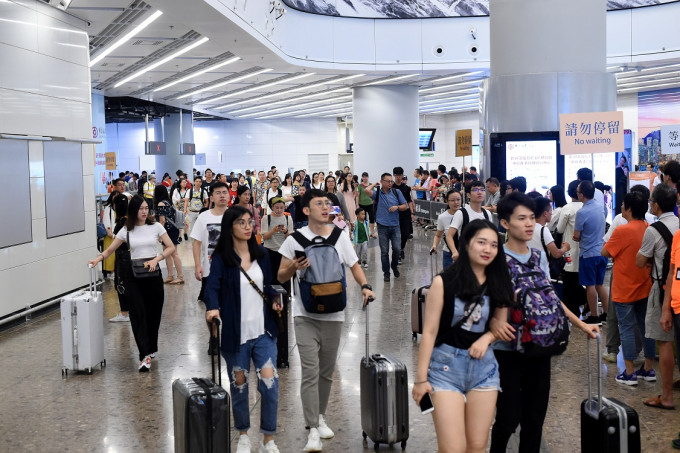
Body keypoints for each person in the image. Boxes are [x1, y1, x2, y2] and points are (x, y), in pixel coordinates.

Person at [489, 192, 599, 453]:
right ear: (505, 223)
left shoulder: (538, 258)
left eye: (531, 218)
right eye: (521, 219)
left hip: (539, 346)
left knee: (535, 419)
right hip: (507, 351)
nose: (530, 224)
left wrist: (582, 325)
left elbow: (549, 296)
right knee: (507, 418)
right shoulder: (495, 258)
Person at [277, 189, 376, 452]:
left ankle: (319, 417)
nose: (325, 207)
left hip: (335, 313)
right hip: (304, 314)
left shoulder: (339, 236)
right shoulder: (294, 240)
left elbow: (354, 265)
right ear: (306, 210)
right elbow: (280, 276)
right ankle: (312, 428)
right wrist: (294, 268)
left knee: (326, 372)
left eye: (327, 204)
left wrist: (365, 285)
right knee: (310, 371)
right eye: (318, 204)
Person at [414, 219, 512, 453]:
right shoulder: (443, 282)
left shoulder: (499, 280)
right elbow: (429, 332)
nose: (488, 249)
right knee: (452, 449)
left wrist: (486, 339)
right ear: (467, 244)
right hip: (445, 369)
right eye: (481, 243)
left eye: (493, 245)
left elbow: (500, 325)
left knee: (477, 446)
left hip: (484, 369)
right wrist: (420, 379)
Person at [204, 206, 283, 453]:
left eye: (250, 222)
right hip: (236, 334)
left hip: (263, 332)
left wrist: (274, 298)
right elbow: (211, 288)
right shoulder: (221, 260)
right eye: (242, 223)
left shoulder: (262, 254)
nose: (248, 227)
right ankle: (243, 434)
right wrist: (213, 308)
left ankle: (269, 438)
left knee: (270, 383)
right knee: (239, 385)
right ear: (230, 227)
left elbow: (269, 285)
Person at [88, 195, 175, 371]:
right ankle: (144, 356)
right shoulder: (126, 230)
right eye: (140, 208)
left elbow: (171, 246)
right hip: (134, 278)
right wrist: (98, 258)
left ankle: (151, 348)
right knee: (138, 315)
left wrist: (156, 259)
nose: (144, 212)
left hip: (153, 276)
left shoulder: (156, 226)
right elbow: (111, 249)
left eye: (146, 208)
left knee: (153, 315)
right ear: (133, 210)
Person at [602, 191, 656, 385]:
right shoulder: (649, 228)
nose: (621, 208)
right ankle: (648, 368)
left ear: (629, 208)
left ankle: (630, 371)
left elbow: (605, 251)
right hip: (645, 285)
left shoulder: (622, 230)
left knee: (625, 327)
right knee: (645, 327)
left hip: (624, 286)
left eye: (624, 205)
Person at [636, 184, 678, 407]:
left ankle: (667, 396)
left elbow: (640, 261)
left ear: (657, 205)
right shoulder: (679, 226)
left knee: (664, 342)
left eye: (652, 201)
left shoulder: (653, 230)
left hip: (662, 288)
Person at [191, 182, 230, 355]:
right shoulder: (204, 217)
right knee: (211, 308)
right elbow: (197, 243)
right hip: (209, 270)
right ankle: (214, 338)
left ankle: (230, 337)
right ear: (211, 197)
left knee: (230, 306)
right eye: (218, 193)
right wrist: (198, 265)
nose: (222, 195)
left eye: (225, 192)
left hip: (232, 269)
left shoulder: (234, 215)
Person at [574, 180, 609, 325]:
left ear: (581, 195)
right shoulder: (601, 208)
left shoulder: (582, 212)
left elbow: (576, 236)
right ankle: (607, 314)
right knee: (600, 284)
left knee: (590, 285)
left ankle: (594, 315)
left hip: (588, 254)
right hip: (601, 252)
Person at [556, 180, 586, 317]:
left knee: (569, 279)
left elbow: (560, 229)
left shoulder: (567, 208)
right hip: (585, 248)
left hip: (569, 247)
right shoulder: (587, 207)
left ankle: (571, 310)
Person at [373, 172, 408, 282]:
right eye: (387, 181)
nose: (390, 183)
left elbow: (405, 206)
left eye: (391, 181)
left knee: (397, 249)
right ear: (382, 181)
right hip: (382, 226)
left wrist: (397, 207)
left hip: (395, 225)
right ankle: (386, 273)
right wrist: (373, 185)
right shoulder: (378, 193)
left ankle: (394, 265)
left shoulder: (396, 192)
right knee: (384, 251)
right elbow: (366, 191)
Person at [445, 180, 491, 262]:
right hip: (466, 257)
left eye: (482, 190)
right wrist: (454, 252)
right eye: (475, 190)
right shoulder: (461, 213)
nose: (479, 192)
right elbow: (449, 235)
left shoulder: (487, 214)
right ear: (468, 195)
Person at [154, 184, 183, 285]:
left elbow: (162, 220)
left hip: (168, 230)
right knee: (168, 253)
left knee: (173, 253)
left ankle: (180, 276)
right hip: (172, 229)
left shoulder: (161, 203)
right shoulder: (168, 202)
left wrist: (159, 235)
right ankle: (170, 275)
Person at [109, 194, 131, 323]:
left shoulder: (122, 221)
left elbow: (121, 240)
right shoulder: (129, 219)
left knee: (121, 284)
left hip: (123, 257)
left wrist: (113, 236)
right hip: (128, 256)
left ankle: (124, 313)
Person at [529, 197, 570, 263]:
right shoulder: (543, 230)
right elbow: (556, 254)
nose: (551, 214)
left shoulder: (526, 228)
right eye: (551, 211)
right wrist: (565, 248)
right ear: (545, 213)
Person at [431, 189, 463, 269]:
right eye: (452, 200)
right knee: (448, 278)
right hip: (449, 253)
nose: (456, 202)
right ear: (447, 201)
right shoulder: (442, 217)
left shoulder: (465, 213)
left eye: (458, 199)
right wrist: (434, 245)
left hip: (464, 252)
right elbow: (438, 235)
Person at [393, 167, 415, 261]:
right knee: (396, 235)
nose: (398, 177)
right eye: (397, 175)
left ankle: (401, 248)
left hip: (405, 214)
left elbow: (409, 201)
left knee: (405, 234)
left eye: (400, 175)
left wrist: (412, 213)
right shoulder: (391, 188)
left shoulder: (406, 188)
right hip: (394, 214)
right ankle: (397, 252)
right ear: (394, 175)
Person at [101, 191, 119, 279]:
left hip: (117, 234)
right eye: (114, 196)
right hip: (110, 235)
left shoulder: (119, 207)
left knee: (116, 254)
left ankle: (116, 271)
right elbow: (106, 221)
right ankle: (111, 272)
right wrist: (110, 233)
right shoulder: (108, 208)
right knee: (110, 254)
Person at [357, 172, 378, 237]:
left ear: (368, 177)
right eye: (363, 177)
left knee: (372, 218)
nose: (364, 178)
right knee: (363, 218)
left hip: (370, 204)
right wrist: (357, 205)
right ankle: (365, 232)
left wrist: (373, 201)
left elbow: (373, 194)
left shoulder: (371, 185)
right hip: (362, 204)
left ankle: (372, 232)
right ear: (362, 178)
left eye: (366, 177)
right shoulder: (360, 186)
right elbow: (357, 196)